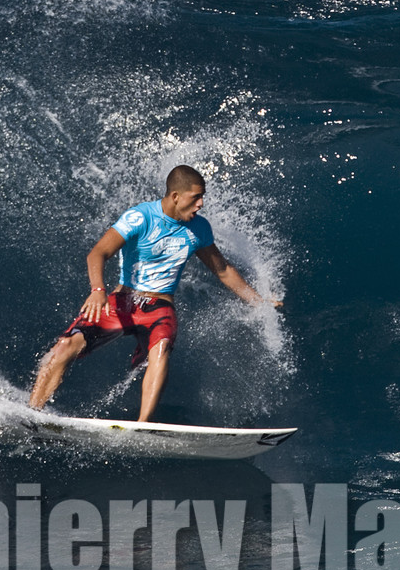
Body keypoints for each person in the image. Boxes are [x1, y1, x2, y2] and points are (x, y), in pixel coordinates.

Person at [28, 164, 281, 422]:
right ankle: (32, 414)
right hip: (123, 302)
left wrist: (258, 302)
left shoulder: (199, 229)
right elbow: (98, 253)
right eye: (195, 197)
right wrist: (97, 290)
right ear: (175, 196)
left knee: (160, 351)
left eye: (202, 197)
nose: (201, 204)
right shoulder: (140, 217)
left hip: (159, 309)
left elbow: (223, 269)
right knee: (66, 345)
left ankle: (142, 425)